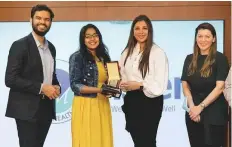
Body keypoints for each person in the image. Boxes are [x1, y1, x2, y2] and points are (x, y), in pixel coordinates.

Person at [5, 4, 60, 147]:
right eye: (38, 18)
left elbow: (50, 75)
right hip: (26, 109)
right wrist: (42, 88)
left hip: (46, 107)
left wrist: (56, 86)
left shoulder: (51, 48)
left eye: (47, 19)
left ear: (51, 22)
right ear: (31, 20)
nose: (43, 22)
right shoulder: (20, 45)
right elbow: (10, 79)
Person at [119, 15, 169, 147]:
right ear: (132, 31)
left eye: (144, 28)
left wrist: (139, 85)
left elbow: (159, 83)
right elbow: (122, 74)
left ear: (150, 31)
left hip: (150, 102)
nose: (141, 32)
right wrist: (120, 83)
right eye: (137, 28)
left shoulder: (157, 52)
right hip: (132, 101)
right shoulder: (127, 52)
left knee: (147, 141)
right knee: (138, 141)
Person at [181, 22, 229, 147]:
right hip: (193, 114)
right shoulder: (189, 59)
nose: (203, 40)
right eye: (200, 36)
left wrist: (200, 107)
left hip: (215, 114)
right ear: (196, 38)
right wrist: (192, 106)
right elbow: (185, 84)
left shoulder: (220, 59)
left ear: (213, 39)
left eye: (207, 36)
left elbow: (220, 87)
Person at [69, 24, 113, 147]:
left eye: (95, 35)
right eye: (88, 37)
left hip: (102, 103)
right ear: (83, 40)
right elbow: (75, 85)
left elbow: (107, 81)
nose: (92, 39)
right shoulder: (77, 57)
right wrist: (100, 90)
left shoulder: (103, 57)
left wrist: (115, 82)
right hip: (86, 105)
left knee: (102, 140)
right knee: (88, 141)